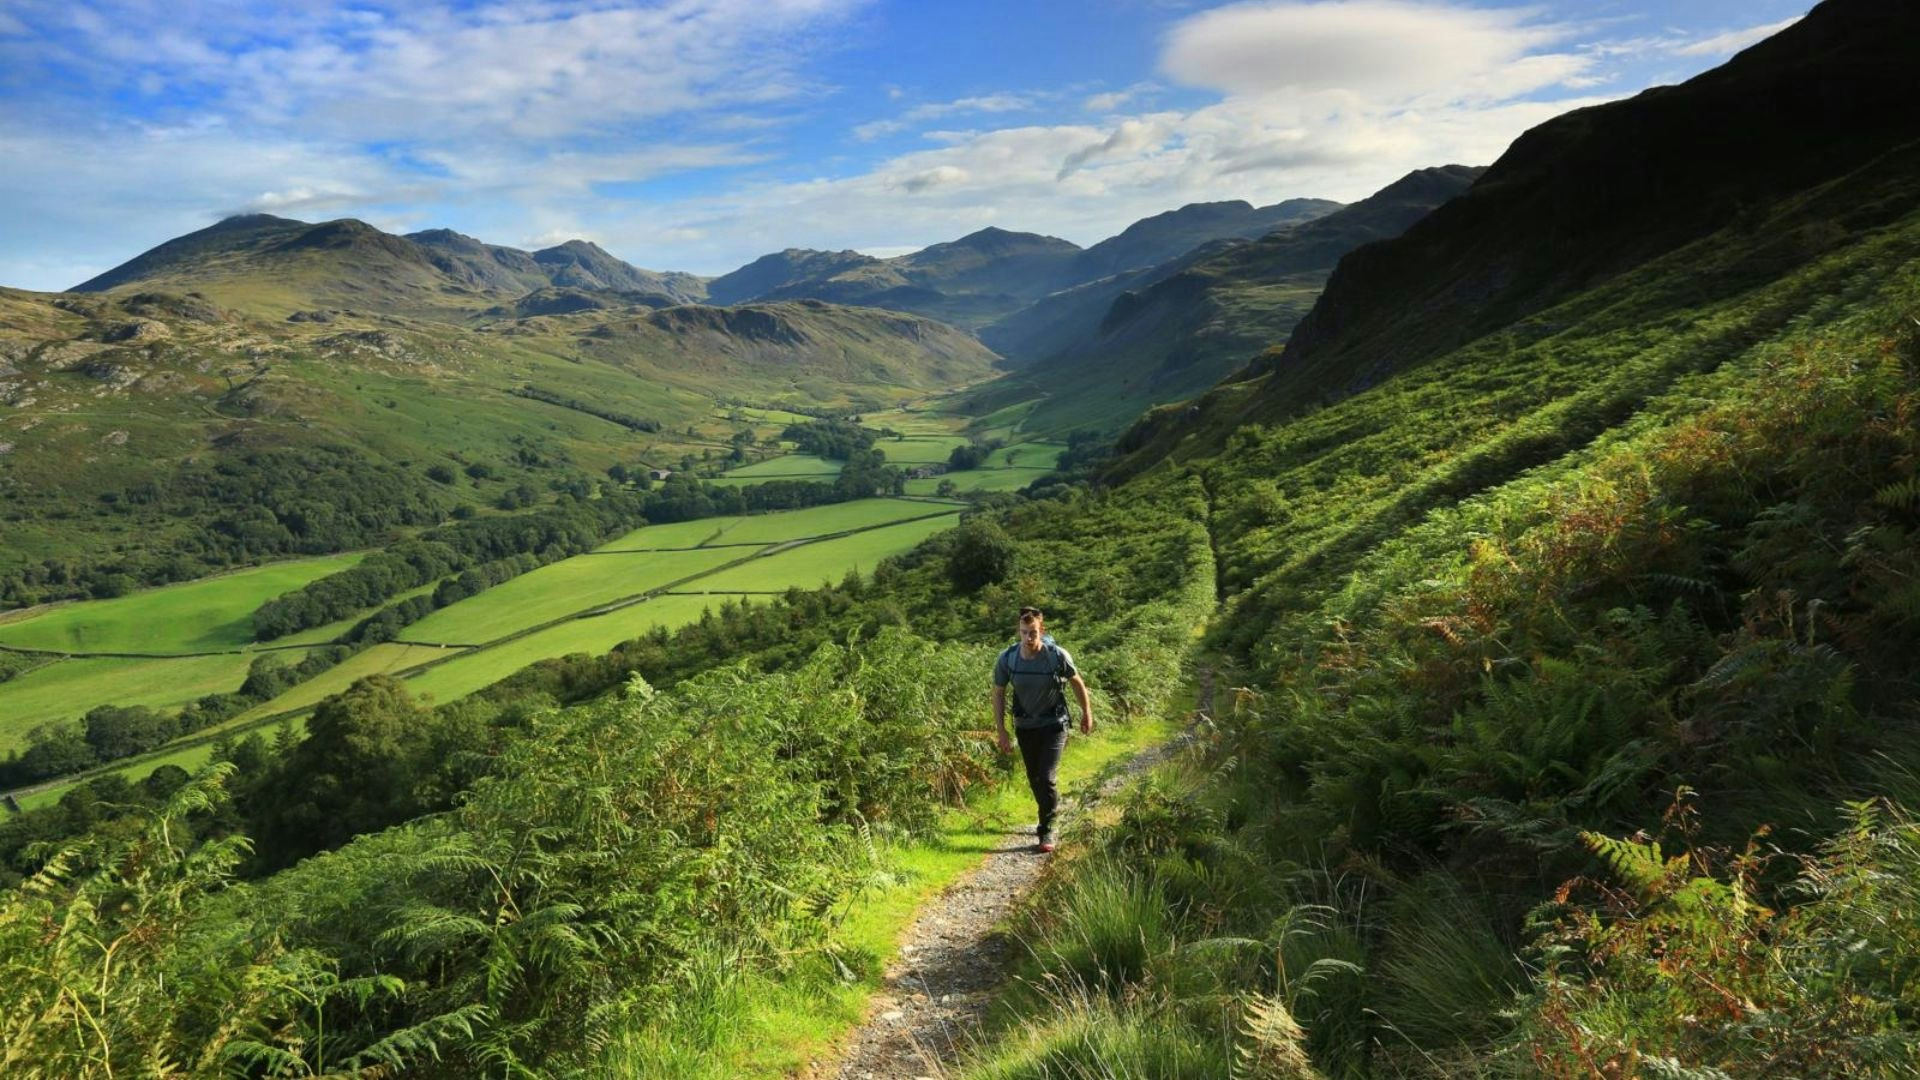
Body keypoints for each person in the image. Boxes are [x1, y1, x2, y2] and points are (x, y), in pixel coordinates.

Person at [992, 606, 1094, 853]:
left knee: (1046, 777)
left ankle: (1046, 828)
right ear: (1019, 631)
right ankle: (1046, 814)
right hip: (1025, 726)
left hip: (1054, 724)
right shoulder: (1007, 659)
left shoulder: (1056, 655)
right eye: (1024, 633)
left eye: (1033, 633)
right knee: (1035, 778)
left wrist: (1086, 713)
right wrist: (1002, 731)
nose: (1029, 638)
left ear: (1041, 630)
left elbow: (1076, 682)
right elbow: (998, 693)